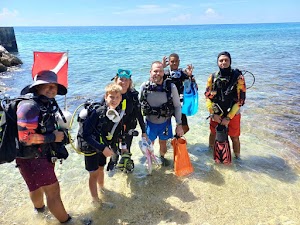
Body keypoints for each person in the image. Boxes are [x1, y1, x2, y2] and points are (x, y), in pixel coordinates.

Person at [16, 70, 71, 223]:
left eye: (54, 86)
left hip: (27, 157)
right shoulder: (29, 107)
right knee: (53, 193)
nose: (51, 89)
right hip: (36, 158)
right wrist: (53, 137)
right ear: (36, 88)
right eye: (46, 85)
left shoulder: (43, 104)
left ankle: (40, 213)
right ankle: (67, 221)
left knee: (34, 187)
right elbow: (25, 138)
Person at [81, 83, 123, 204]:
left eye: (117, 97)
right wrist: (102, 148)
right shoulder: (98, 112)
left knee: (101, 168)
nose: (114, 100)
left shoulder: (117, 112)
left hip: (102, 146)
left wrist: (115, 148)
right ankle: (95, 200)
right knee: (93, 174)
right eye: (111, 97)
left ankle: (102, 188)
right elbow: (85, 134)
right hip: (90, 147)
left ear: (120, 98)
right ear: (106, 97)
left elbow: (114, 133)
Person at [140, 61, 184, 166]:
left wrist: (179, 124)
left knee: (163, 144)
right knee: (149, 145)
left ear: (163, 73)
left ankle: (162, 157)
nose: (157, 74)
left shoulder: (171, 87)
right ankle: (150, 160)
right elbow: (138, 107)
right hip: (150, 123)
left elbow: (177, 106)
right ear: (150, 72)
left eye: (160, 71)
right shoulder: (144, 87)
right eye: (155, 71)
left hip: (165, 123)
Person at [204, 51, 246, 159]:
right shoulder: (212, 77)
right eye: (221, 60)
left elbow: (240, 101)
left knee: (234, 137)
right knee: (213, 133)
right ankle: (210, 151)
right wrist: (213, 114)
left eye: (226, 60)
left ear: (230, 61)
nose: (223, 62)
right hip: (217, 112)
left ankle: (238, 158)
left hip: (233, 112)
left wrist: (228, 117)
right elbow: (208, 97)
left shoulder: (239, 78)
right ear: (217, 63)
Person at [111, 69, 147, 170]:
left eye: (126, 80)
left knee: (126, 151)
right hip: (113, 129)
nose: (123, 82)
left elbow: (139, 114)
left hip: (128, 129)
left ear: (130, 82)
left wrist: (144, 131)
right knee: (114, 152)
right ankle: (113, 165)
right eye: (121, 79)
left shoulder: (133, 95)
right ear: (116, 80)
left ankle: (126, 169)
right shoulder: (111, 94)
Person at [162, 53, 196, 134]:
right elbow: (154, 80)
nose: (174, 63)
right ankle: (168, 142)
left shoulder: (183, 73)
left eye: (176, 61)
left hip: (179, 104)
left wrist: (190, 76)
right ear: (169, 62)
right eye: (172, 61)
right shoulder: (164, 74)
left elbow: (193, 87)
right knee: (165, 129)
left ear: (179, 62)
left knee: (185, 127)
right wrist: (162, 67)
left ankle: (176, 138)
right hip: (167, 104)